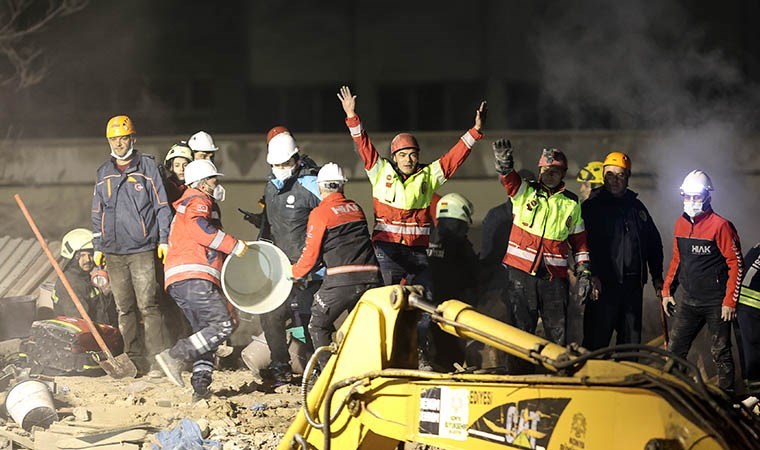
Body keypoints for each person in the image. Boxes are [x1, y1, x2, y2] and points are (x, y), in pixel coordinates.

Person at [337, 85, 486, 295]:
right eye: (403, 154)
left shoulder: (429, 175)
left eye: (412, 154)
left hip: (417, 251)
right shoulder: (380, 170)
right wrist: (351, 115)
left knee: (425, 300)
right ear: (394, 157)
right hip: (387, 251)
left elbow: (453, 159)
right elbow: (363, 144)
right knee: (389, 301)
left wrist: (475, 132)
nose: (408, 159)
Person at [155, 160, 248, 401]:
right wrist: (233, 245)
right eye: (214, 179)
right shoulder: (198, 200)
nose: (218, 184)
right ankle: (174, 356)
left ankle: (201, 387)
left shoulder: (189, 201)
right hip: (193, 274)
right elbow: (200, 230)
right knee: (223, 326)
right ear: (202, 183)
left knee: (204, 334)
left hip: (182, 277)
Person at [492, 139, 591, 354]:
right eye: (547, 169)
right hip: (520, 275)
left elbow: (580, 244)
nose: (550, 174)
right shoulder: (524, 191)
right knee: (519, 335)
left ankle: (556, 379)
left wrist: (584, 274)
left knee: (557, 336)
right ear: (539, 170)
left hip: (554, 280)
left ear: (563, 173)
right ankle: (519, 377)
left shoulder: (572, 203)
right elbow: (508, 179)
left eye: (556, 170)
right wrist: (503, 161)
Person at [92, 115, 171, 375]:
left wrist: (163, 240)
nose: (118, 143)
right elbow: (97, 212)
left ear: (132, 139)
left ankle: (159, 358)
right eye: (113, 139)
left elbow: (161, 206)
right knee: (123, 309)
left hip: (142, 249)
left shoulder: (147, 168)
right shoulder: (104, 173)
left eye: (123, 138)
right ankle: (134, 359)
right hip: (113, 252)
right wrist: (98, 245)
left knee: (148, 305)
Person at [249, 126, 322, 386]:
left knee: (308, 319)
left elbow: (330, 219)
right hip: (281, 267)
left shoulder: (312, 184)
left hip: (311, 268)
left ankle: (317, 370)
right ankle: (280, 368)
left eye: (285, 163)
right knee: (271, 315)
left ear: (296, 159)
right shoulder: (271, 188)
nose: (281, 168)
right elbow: (269, 226)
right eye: (276, 164)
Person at [290, 163, 382, 369]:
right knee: (361, 328)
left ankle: (329, 375)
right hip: (372, 280)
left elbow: (311, 255)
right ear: (342, 187)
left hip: (341, 281)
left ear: (320, 187)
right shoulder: (355, 208)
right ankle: (368, 369)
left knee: (317, 324)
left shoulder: (320, 213)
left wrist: (293, 272)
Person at [662, 170, 743, 397]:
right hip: (689, 301)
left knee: (721, 352)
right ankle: (671, 395)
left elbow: (736, 264)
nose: (691, 201)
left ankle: (727, 400)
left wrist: (730, 301)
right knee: (676, 350)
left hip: (716, 302)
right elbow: (677, 260)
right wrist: (667, 291)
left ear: (708, 197)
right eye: (687, 196)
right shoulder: (680, 223)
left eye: (696, 197)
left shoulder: (721, 226)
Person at [581, 151, 664, 350]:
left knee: (630, 347)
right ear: (603, 175)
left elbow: (653, 244)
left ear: (628, 177)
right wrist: (590, 275)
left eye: (620, 175)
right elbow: (578, 245)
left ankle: (627, 381)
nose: (615, 180)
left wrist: (657, 278)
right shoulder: (591, 208)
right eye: (610, 174)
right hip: (602, 289)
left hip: (632, 289)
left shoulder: (637, 208)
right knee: (595, 345)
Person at [426, 192, 479, 370]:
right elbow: (473, 275)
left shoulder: (428, 236)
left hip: (427, 305)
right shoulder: (461, 244)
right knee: (450, 356)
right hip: (454, 311)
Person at [52, 228, 117, 326]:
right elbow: (80, 322)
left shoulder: (83, 277)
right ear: (72, 258)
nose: (87, 259)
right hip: (88, 335)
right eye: (82, 255)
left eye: (90, 254)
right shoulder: (70, 284)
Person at [737, 243, 760, 401]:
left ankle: (753, 396)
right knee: (753, 355)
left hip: (741, 303)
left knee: (749, 354)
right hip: (753, 305)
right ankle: (756, 397)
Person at [162, 141, 193, 206]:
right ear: (170, 167)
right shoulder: (165, 187)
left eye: (185, 165)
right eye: (177, 165)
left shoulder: (195, 186)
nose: (181, 169)